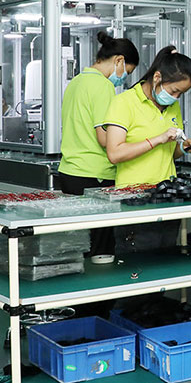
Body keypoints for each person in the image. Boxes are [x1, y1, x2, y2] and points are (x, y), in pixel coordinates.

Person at [57, 32, 140, 262]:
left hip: (70, 172)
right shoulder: (102, 86)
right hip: (94, 176)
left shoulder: (76, 82)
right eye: (127, 71)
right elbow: (105, 139)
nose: (123, 78)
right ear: (119, 60)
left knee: (78, 243)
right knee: (100, 250)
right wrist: (140, 142)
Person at [101, 46, 191, 186]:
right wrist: (158, 139)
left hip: (166, 189)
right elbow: (114, 154)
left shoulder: (173, 106)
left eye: (180, 94)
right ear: (157, 77)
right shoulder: (124, 102)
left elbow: (168, 153)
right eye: (173, 91)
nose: (175, 98)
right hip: (132, 192)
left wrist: (183, 147)